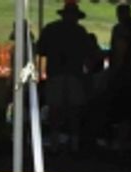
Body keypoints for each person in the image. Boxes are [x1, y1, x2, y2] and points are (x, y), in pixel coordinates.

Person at [37, 2, 90, 152]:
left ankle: (55, 143)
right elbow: (89, 52)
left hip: (55, 74)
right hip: (74, 75)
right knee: (74, 112)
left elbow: (41, 50)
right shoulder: (80, 31)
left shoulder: (51, 29)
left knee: (55, 110)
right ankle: (74, 144)